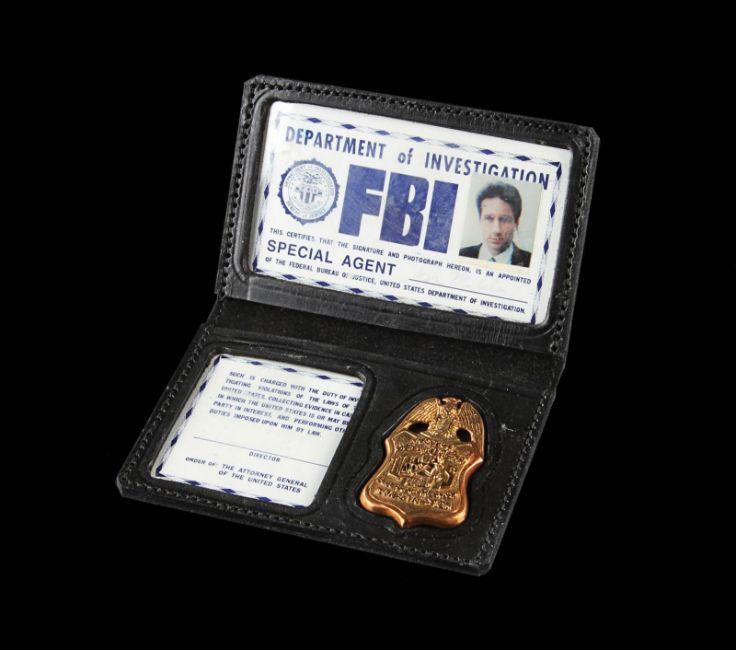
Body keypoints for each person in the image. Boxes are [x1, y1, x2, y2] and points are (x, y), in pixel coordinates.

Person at [459, 181, 531, 267]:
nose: (496, 230)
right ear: (480, 220)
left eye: (504, 219)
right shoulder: (461, 255)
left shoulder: (530, 262)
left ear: (516, 222)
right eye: (489, 218)